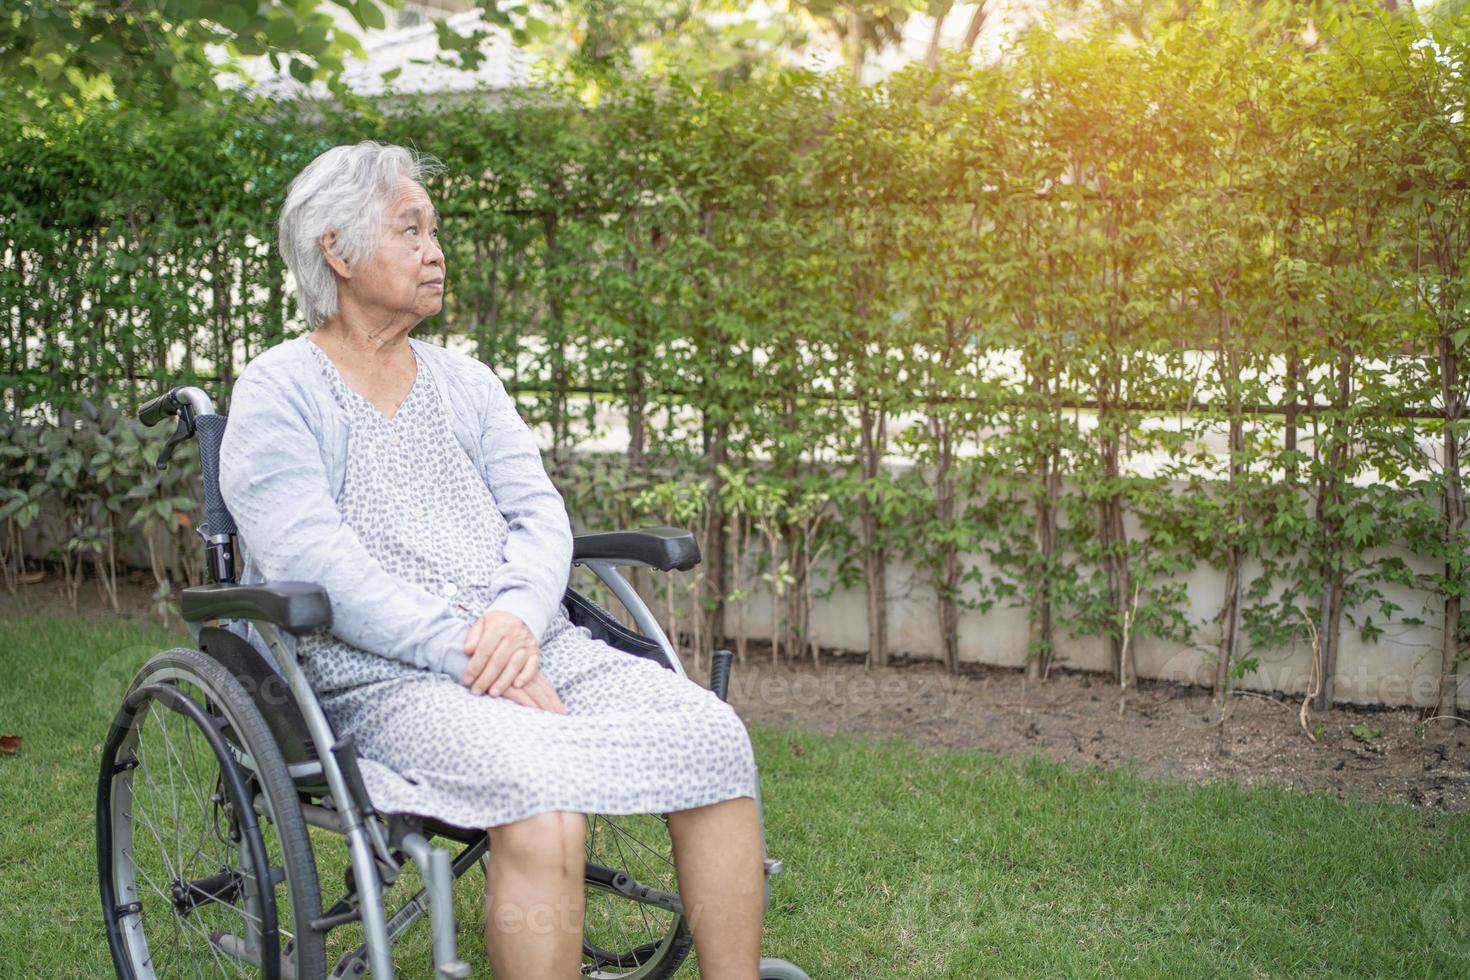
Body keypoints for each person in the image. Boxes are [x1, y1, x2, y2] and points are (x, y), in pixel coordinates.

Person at [218, 140, 764, 978]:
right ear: (337, 248)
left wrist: (512, 618)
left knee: (710, 735)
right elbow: (316, 562)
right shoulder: (278, 389)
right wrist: (470, 650)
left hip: (533, 642)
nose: (436, 252)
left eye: (435, 232)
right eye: (411, 230)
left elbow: (541, 518)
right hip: (381, 675)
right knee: (544, 797)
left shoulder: (469, 384)